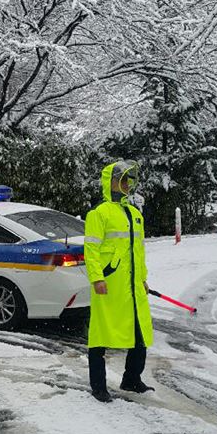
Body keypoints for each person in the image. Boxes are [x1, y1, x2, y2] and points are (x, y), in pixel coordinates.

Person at [84, 160, 154, 401]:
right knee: (100, 335)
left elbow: (139, 251)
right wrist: (96, 278)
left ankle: (131, 379)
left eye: (128, 180)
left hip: (132, 287)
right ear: (111, 182)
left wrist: (143, 279)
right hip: (109, 286)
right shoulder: (98, 214)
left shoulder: (135, 214)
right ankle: (98, 386)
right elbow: (91, 250)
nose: (126, 184)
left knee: (140, 334)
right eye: (121, 179)